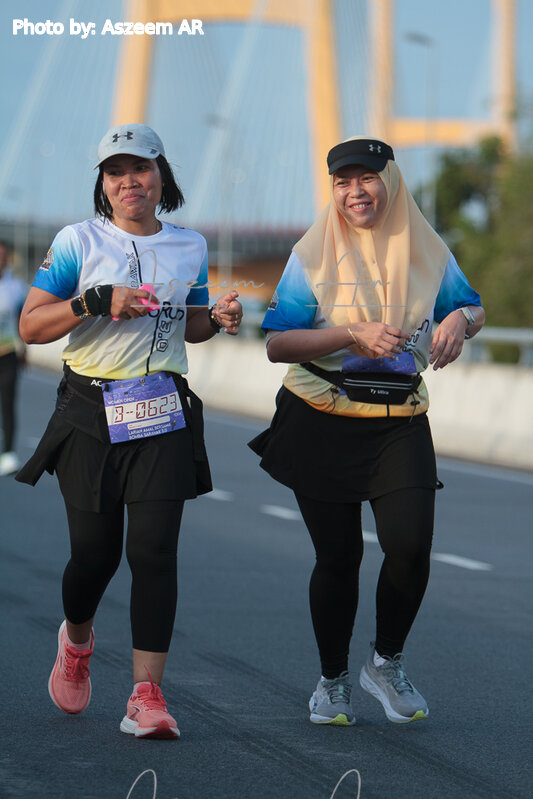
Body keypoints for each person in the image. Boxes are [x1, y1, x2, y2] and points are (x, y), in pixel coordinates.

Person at [16, 123, 243, 739]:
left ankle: (147, 696)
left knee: (154, 552)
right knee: (95, 556)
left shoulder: (189, 245)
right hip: (89, 409)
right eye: (115, 172)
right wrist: (94, 302)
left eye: (140, 168)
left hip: (162, 409)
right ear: (103, 184)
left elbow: (187, 323)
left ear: (162, 175)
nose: (129, 182)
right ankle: (77, 640)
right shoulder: (78, 241)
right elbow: (31, 327)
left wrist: (216, 316)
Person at [249, 136, 485, 726]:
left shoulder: (427, 247)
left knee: (410, 545)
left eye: (368, 178)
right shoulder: (311, 254)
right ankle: (331, 682)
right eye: (343, 182)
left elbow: (472, 306)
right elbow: (277, 342)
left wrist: (460, 318)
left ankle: (385, 662)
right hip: (319, 415)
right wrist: (351, 333)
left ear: (391, 182)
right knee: (339, 556)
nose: (355, 192)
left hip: (398, 418)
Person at [0, 240, 27, 476]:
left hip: (7, 353)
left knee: (8, 403)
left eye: (2, 256)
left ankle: (8, 453)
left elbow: (22, 321)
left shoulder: (16, 287)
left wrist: (24, 350)